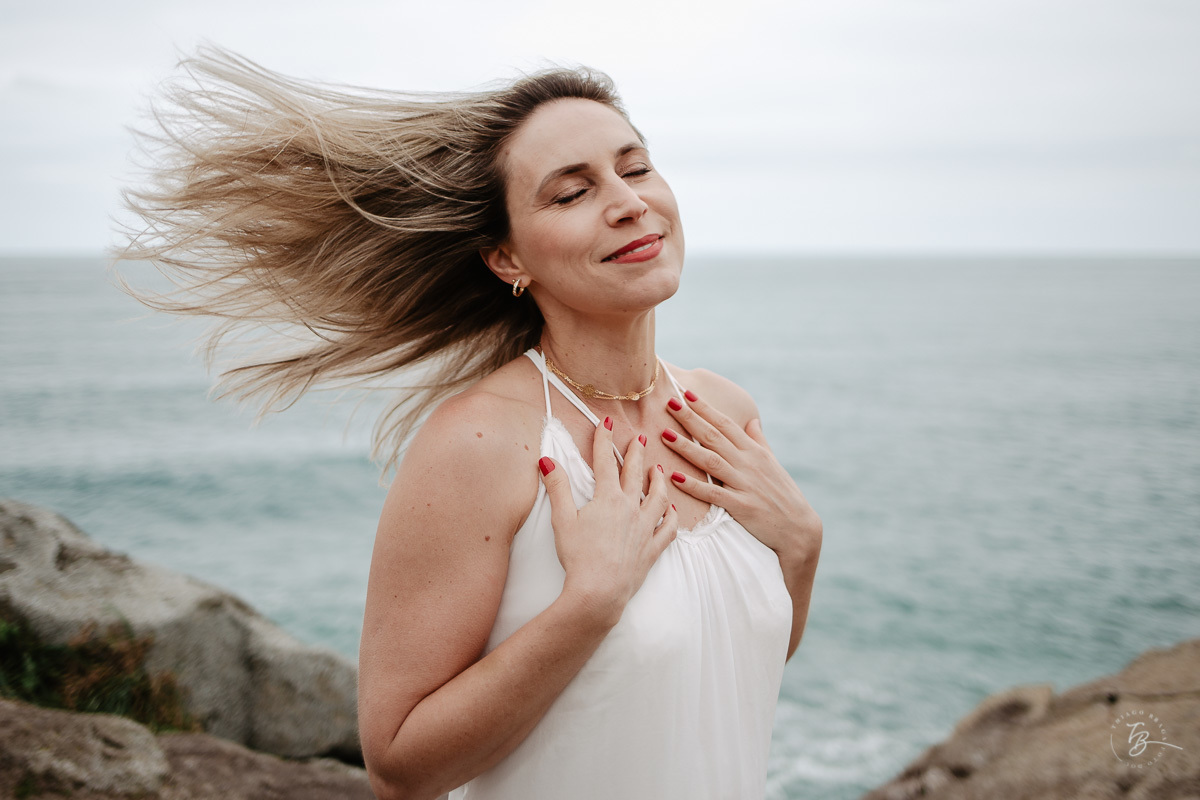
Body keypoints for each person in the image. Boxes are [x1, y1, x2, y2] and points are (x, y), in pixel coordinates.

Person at [113, 47, 822, 800]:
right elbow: (400, 766)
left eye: (636, 167)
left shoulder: (722, 415)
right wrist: (589, 605)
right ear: (508, 257)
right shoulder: (483, 442)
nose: (627, 202)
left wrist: (802, 551)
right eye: (571, 192)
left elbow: (731, 662)